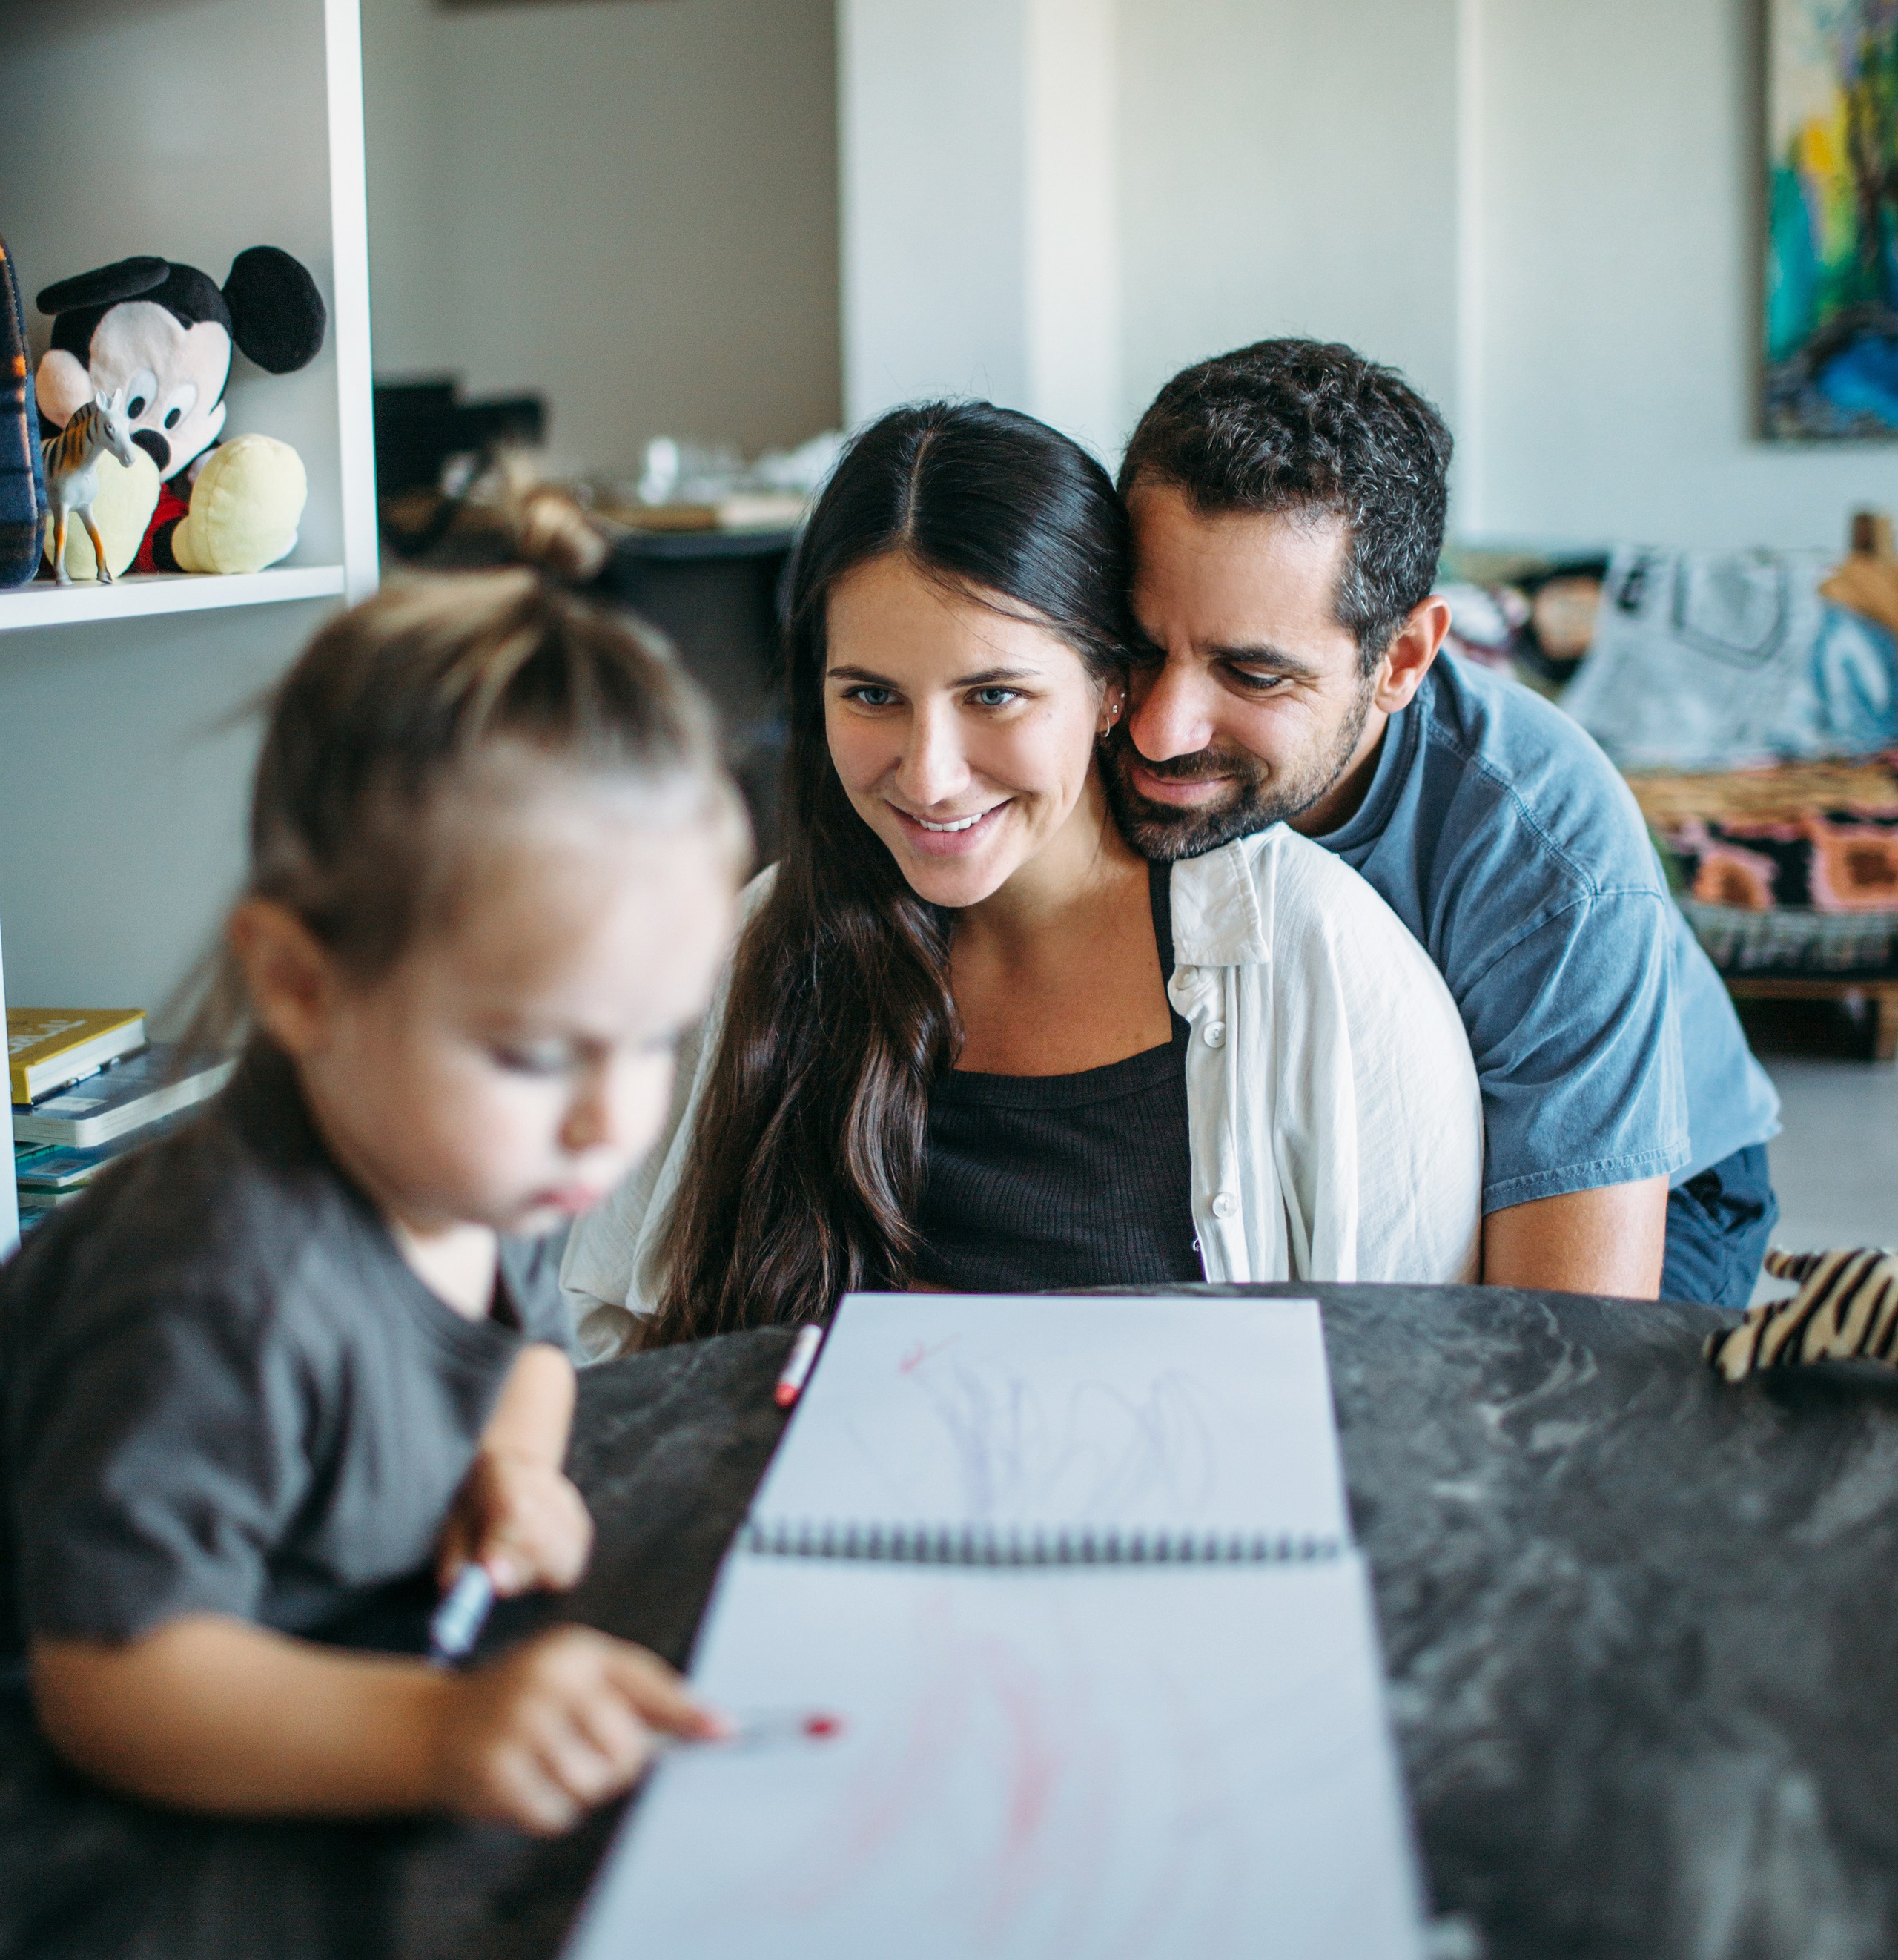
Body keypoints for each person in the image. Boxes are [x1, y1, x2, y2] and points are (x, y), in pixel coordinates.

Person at [1, 570, 744, 1829]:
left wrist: (512, 1469)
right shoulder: (218, 1284)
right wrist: (437, 1735)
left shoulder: (483, 1166)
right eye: (534, 1052)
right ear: (300, 985)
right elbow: (115, 1677)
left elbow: (530, 1359)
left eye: (654, 1039)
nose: (608, 1121)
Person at [564, 400, 1483, 1347]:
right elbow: (616, 1334)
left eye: (994, 695)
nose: (928, 775)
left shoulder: (1315, 955)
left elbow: (1415, 1391)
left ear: (1110, 686)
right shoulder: (768, 936)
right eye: (871, 696)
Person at [1105, 340, 1781, 1306]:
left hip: (1664, 1176)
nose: (1159, 730)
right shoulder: (1078, 711)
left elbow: (1563, 1340)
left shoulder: (1547, 852)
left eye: (1254, 674)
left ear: (1402, 660)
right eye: (1136, 644)